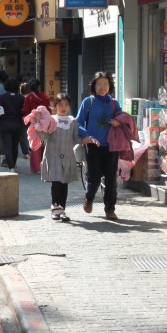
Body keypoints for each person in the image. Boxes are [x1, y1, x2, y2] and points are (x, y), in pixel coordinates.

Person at [77, 71, 124, 221]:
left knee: (111, 179)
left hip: (111, 146)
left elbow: (124, 120)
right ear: (94, 86)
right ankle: (89, 198)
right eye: (99, 84)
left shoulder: (114, 104)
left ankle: (110, 209)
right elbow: (78, 122)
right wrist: (86, 136)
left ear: (110, 86)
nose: (102, 87)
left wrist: (119, 122)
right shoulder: (88, 102)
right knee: (95, 178)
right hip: (93, 146)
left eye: (105, 84)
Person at [36, 93, 80, 222]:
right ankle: (55, 207)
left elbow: (76, 138)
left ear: (70, 106)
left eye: (66, 104)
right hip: (52, 155)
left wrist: (86, 139)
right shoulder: (50, 120)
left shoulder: (73, 121)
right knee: (56, 183)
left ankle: (62, 209)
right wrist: (38, 122)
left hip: (67, 156)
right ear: (54, 106)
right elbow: (43, 137)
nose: (63, 107)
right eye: (60, 104)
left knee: (64, 183)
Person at [0, 77, 26, 170]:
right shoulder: (21, 98)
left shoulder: (1, 97)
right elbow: (25, 110)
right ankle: (13, 164)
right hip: (17, 124)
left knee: (7, 145)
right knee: (15, 145)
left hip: (5, 123)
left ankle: (11, 167)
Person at [22, 79, 51, 173]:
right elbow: (49, 110)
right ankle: (44, 164)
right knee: (44, 143)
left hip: (34, 123)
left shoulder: (29, 97)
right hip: (45, 123)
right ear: (39, 86)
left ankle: (36, 167)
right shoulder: (45, 96)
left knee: (34, 144)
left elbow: (25, 111)